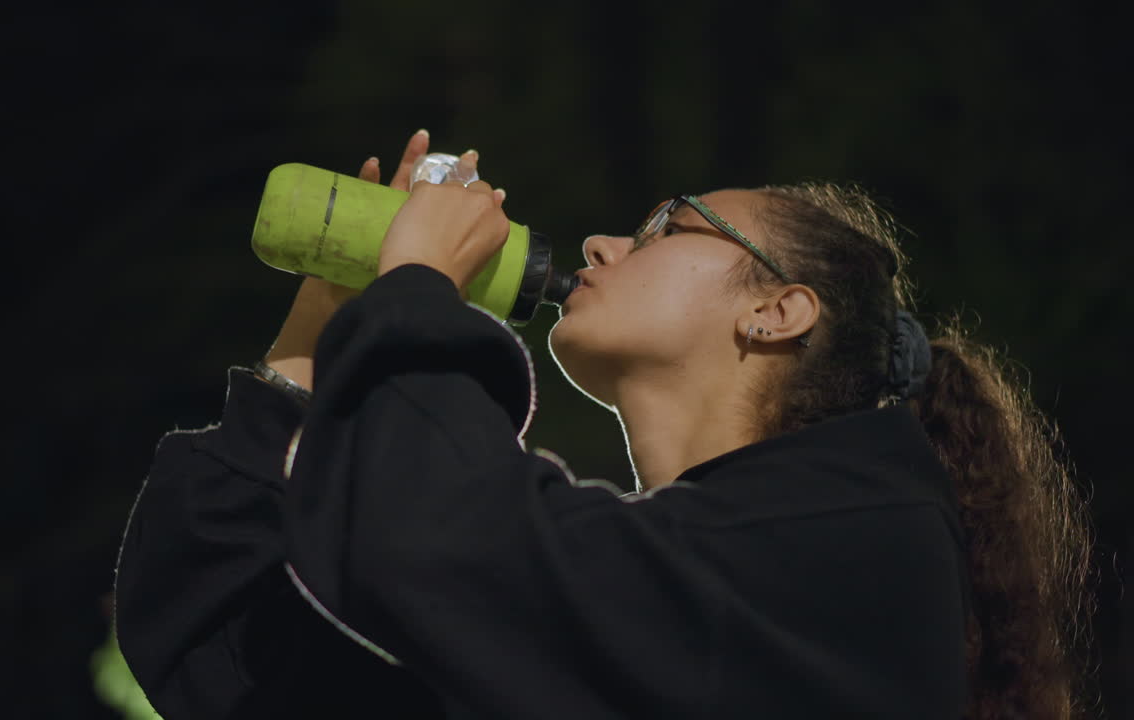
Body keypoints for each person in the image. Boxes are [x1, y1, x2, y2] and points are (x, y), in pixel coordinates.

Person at [114, 130, 1093, 719]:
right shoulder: (677, 594)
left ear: (776, 311)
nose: (598, 241)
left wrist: (418, 293)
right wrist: (327, 322)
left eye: (668, 225)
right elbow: (219, 652)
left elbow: (429, 541)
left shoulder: (863, 548)